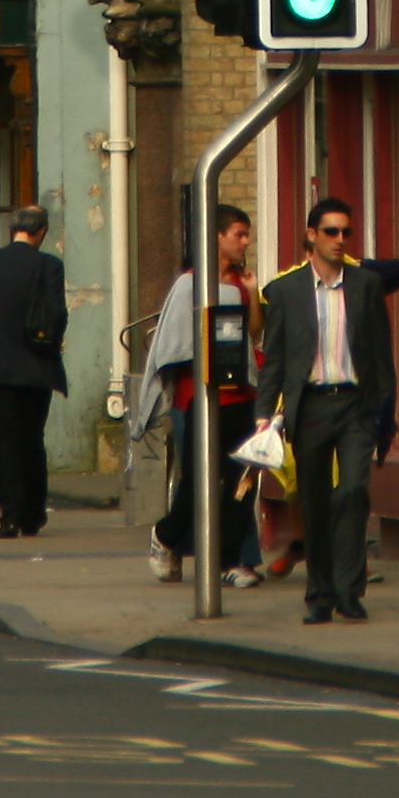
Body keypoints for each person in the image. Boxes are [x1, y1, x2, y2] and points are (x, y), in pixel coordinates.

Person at [257, 195, 399, 625]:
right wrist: (263, 414)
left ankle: (351, 590)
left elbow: (381, 355)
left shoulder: (364, 284)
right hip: (308, 407)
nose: (340, 239)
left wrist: (386, 410)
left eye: (346, 232)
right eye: (331, 231)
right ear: (311, 236)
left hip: (355, 406)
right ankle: (320, 594)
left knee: (351, 492)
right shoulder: (286, 291)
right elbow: (274, 359)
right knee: (312, 502)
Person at [139, 203, 263, 587]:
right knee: (198, 484)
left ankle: (229, 560)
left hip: (241, 397)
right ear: (217, 236)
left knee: (242, 481)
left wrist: (254, 293)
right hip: (199, 399)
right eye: (238, 234)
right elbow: (171, 343)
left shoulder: (242, 284)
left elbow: (254, 334)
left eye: (247, 235)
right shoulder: (189, 284)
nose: (245, 242)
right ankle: (166, 536)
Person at [0, 206, 70, 539]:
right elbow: (56, 314)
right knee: (31, 439)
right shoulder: (48, 265)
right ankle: (32, 513)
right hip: (34, 366)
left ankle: (9, 514)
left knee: (1, 441)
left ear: (13, 230)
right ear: (41, 232)